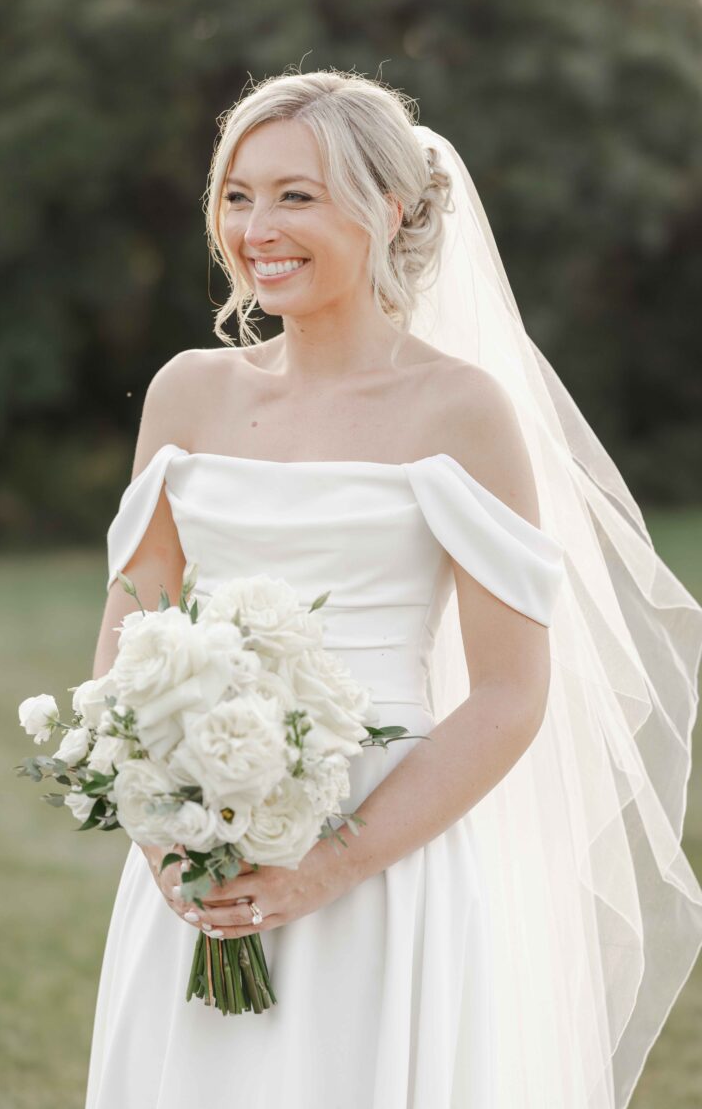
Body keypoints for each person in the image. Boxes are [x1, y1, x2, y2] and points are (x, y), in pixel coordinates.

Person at [84, 70, 702, 1108]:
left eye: (297, 195)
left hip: (378, 851)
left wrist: (327, 865)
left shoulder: (460, 409)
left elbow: (510, 692)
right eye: (238, 195)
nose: (257, 229)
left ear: (393, 209)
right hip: (197, 857)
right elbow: (130, 626)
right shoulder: (188, 392)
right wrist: (163, 829)